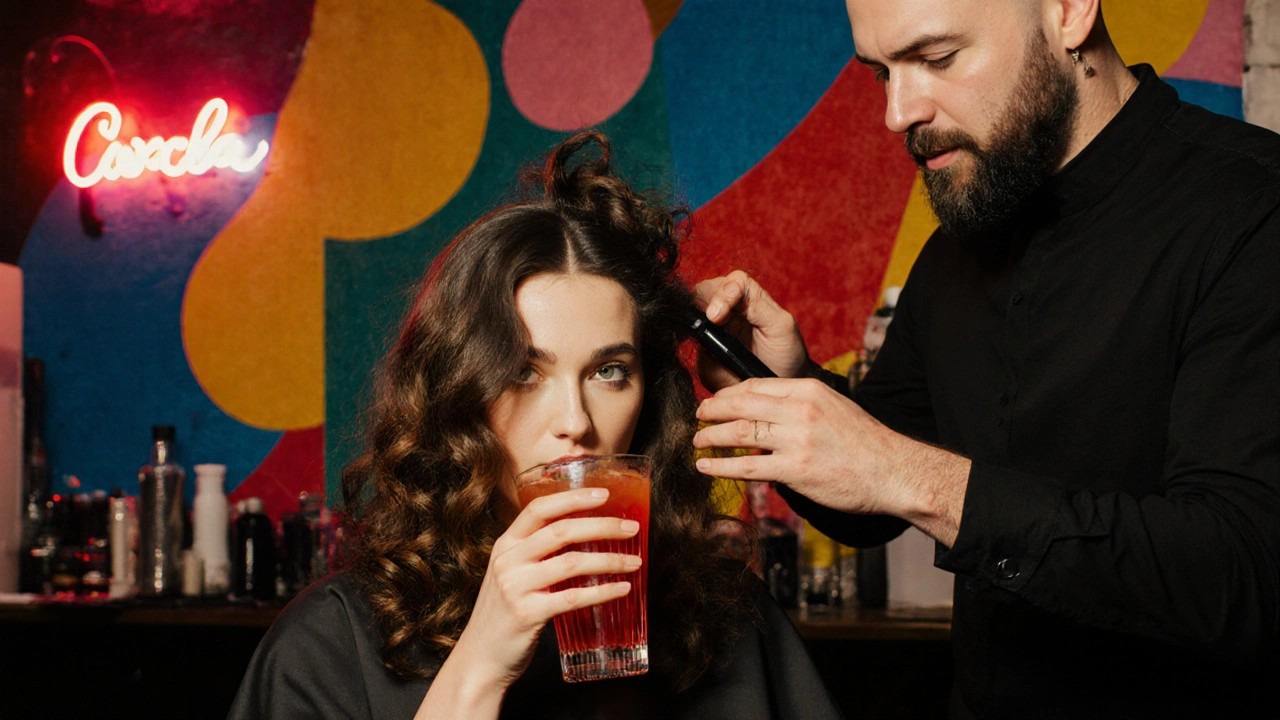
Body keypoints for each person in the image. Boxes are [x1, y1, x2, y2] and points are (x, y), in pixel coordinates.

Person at [690, 0, 1279, 717]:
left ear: (1069, 11)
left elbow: (1244, 578)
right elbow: (872, 502)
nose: (897, 114)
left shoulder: (1254, 209)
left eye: (937, 59)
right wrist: (787, 384)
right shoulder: (960, 246)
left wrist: (912, 478)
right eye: (881, 74)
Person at [229, 132, 842, 720]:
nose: (575, 422)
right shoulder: (331, 644)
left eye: (609, 371)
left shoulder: (728, 619)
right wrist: (478, 668)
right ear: (459, 393)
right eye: (524, 372)